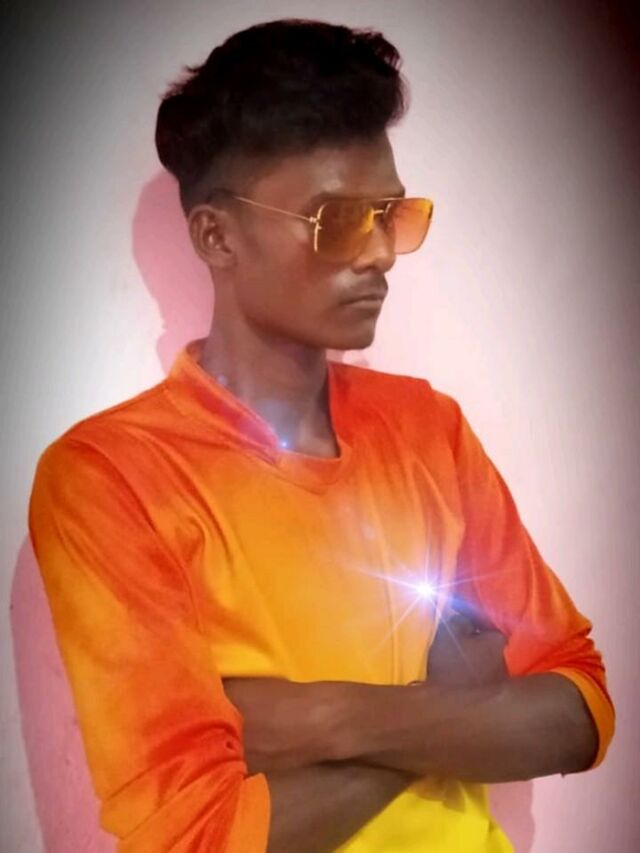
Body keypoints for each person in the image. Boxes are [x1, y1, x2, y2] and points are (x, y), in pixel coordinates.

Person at [28, 17, 614, 853]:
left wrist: (329, 717)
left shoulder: (428, 428)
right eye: (337, 220)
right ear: (217, 236)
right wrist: (450, 709)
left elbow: (580, 706)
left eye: (391, 214)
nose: (379, 254)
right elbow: (192, 837)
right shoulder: (113, 477)